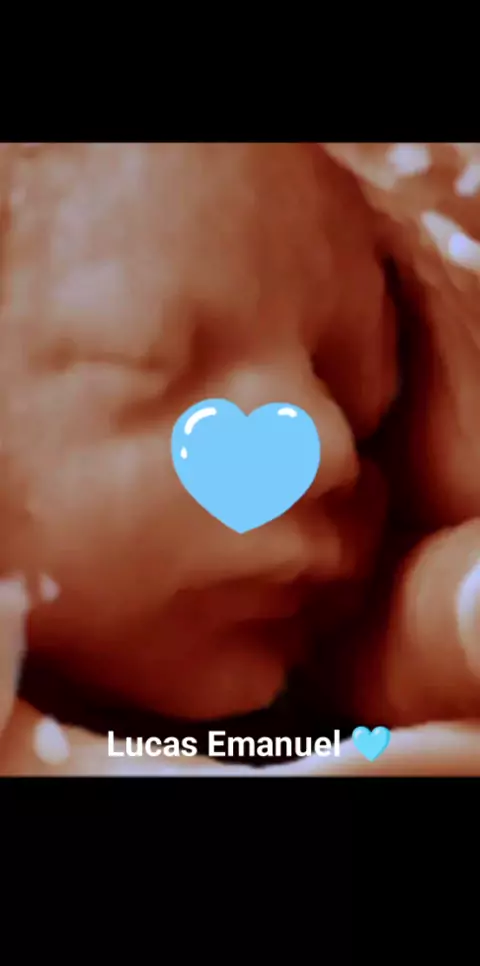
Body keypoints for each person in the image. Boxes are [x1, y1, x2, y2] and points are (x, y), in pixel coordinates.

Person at [1, 141, 480, 775]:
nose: (333, 450)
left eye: (365, 398)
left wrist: (456, 614)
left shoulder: (330, 656)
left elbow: (397, 661)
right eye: (161, 360)